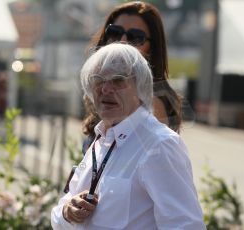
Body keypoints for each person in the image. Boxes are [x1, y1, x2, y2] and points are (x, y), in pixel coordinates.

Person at [51, 43, 205, 229]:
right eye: (98, 80)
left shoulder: (159, 144)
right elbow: (60, 212)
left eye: (118, 80)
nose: (106, 89)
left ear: (140, 89)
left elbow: (186, 225)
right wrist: (68, 211)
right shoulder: (101, 139)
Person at [81, 1, 182, 154]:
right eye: (114, 32)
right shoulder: (102, 88)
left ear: (152, 49)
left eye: (135, 37)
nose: (122, 41)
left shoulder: (151, 102)